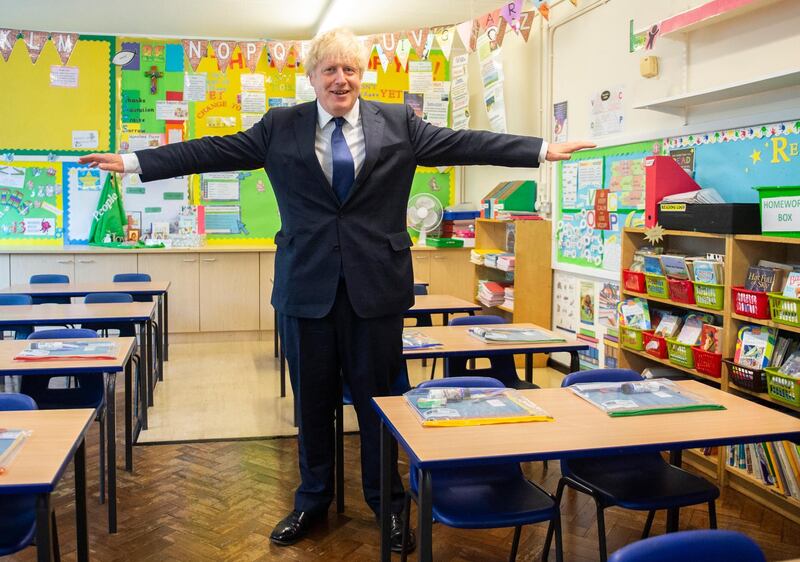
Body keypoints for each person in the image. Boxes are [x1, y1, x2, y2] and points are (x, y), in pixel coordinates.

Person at [80, 27, 595, 553]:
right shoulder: (280, 126)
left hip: (376, 289)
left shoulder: (398, 123)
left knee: (382, 403)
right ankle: (311, 499)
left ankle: (389, 503)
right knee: (312, 402)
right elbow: (214, 150)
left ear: (361, 76)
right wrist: (135, 161)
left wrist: (544, 149)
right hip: (306, 288)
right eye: (330, 69)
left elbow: (469, 142)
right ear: (312, 77)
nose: (341, 79)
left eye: (350, 69)